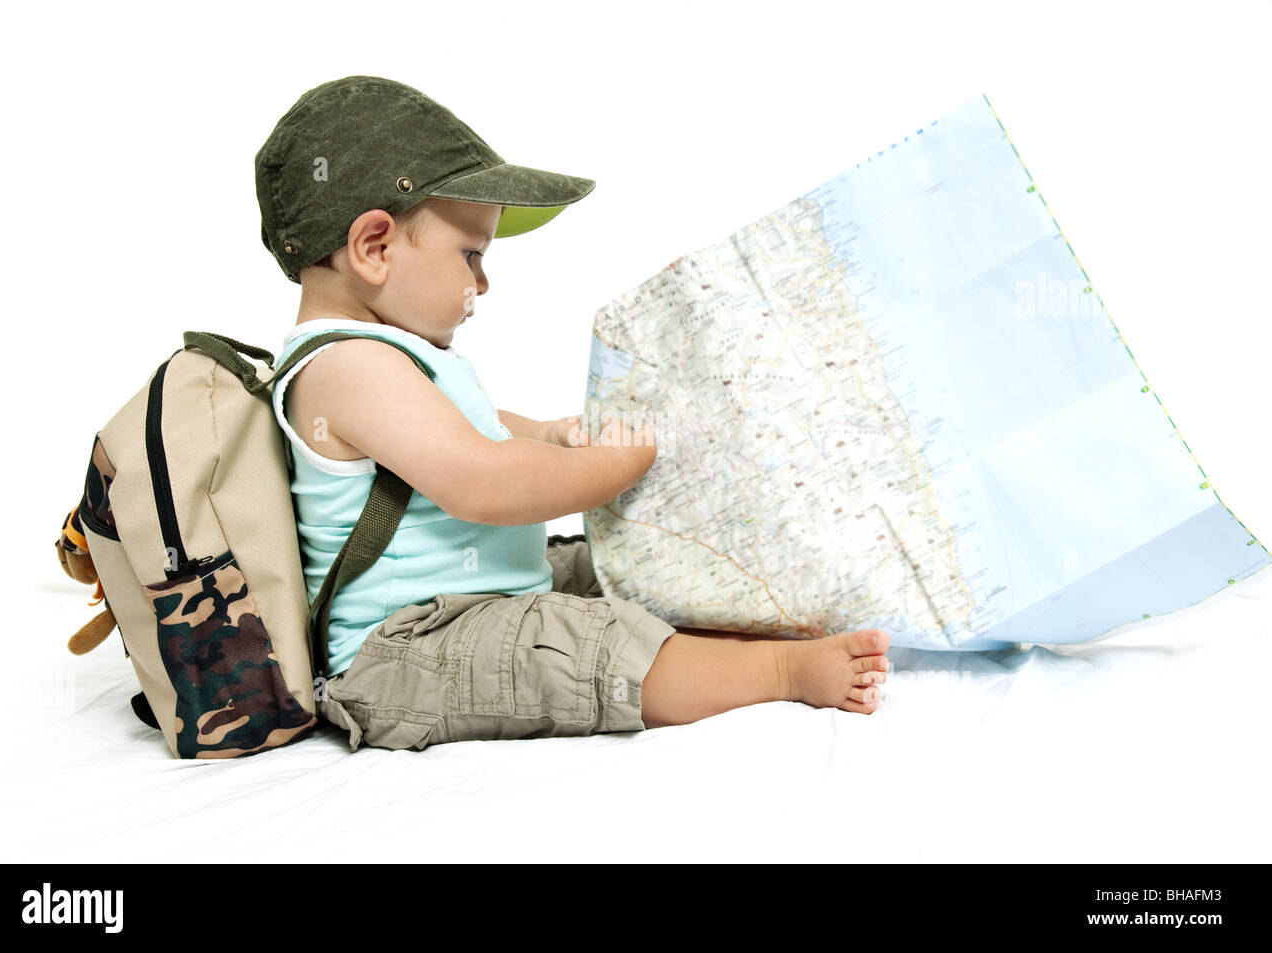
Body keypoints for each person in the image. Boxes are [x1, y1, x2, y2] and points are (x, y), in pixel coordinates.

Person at [256, 76, 889, 751]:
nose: (483, 282)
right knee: (580, 644)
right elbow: (484, 483)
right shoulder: (345, 368)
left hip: (476, 596)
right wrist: (617, 464)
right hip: (403, 651)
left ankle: (734, 625)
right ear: (374, 248)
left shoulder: (384, 355)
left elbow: (464, 426)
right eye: (471, 254)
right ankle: (781, 670)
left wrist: (550, 434)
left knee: (624, 560)